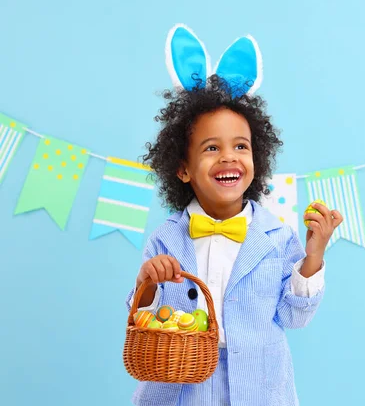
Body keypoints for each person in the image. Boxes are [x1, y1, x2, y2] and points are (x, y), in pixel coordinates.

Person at [124, 29, 343, 406]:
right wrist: (147, 282)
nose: (229, 157)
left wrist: (313, 257)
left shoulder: (276, 236)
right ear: (182, 169)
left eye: (240, 146)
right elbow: (141, 319)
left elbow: (294, 317)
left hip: (259, 385)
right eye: (211, 148)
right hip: (181, 385)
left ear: (257, 157)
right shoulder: (166, 237)